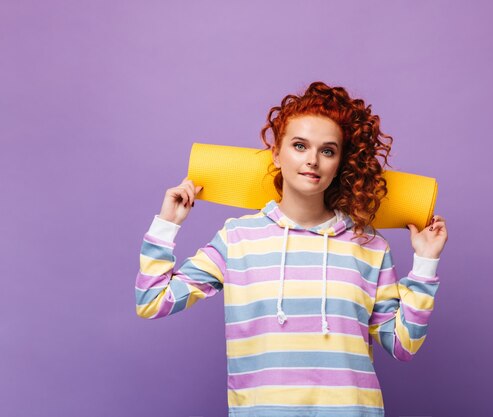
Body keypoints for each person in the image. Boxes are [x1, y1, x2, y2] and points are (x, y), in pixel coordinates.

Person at [135, 81, 448, 417]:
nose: (312, 160)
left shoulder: (370, 246)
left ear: (340, 163)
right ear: (276, 153)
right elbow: (152, 301)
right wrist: (167, 224)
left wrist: (426, 263)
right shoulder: (237, 238)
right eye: (300, 146)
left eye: (327, 151)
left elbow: (402, 345)